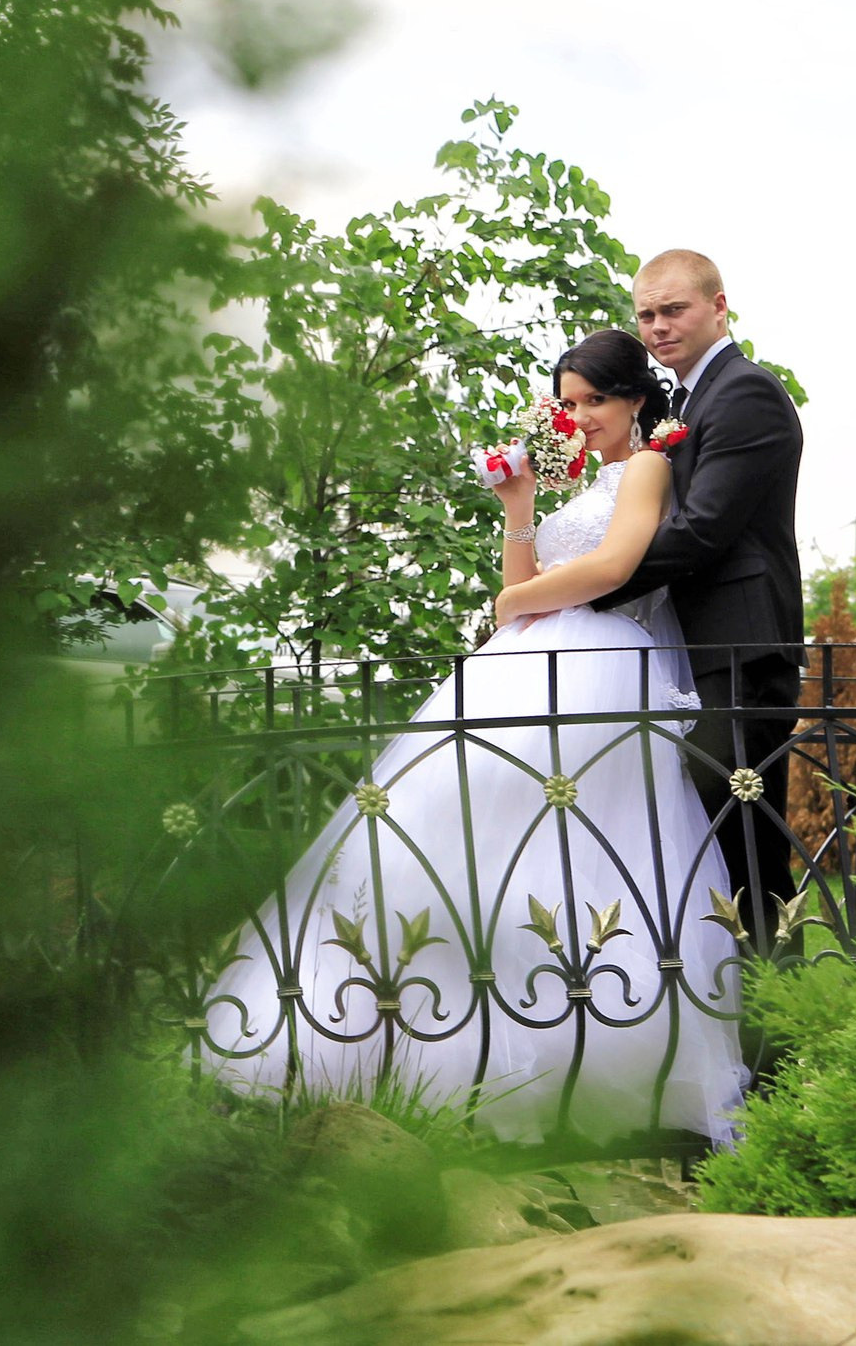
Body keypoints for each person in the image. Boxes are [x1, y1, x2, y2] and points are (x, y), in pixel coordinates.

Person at [196, 328, 748, 1146]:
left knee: (569, 851)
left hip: (594, 666)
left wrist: (514, 609)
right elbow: (520, 581)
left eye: (596, 399)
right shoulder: (584, 480)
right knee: (460, 839)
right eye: (568, 402)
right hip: (529, 659)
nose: (579, 416)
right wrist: (519, 507)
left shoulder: (648, 467)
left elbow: (613, 568)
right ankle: (417, 1044)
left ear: (636, 398)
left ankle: (573, 1061)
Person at [596, 250, 805, 939]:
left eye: (673, 309)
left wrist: (592, 588)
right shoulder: (687, 400)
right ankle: (736, 992)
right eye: (646, 314)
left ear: (719, 307)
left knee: (747, 844)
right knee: (712, 839)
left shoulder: (745, 393)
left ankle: (781, 998)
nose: (657, 326)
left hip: (739, 649)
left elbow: (703, 529)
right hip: (698, 651)